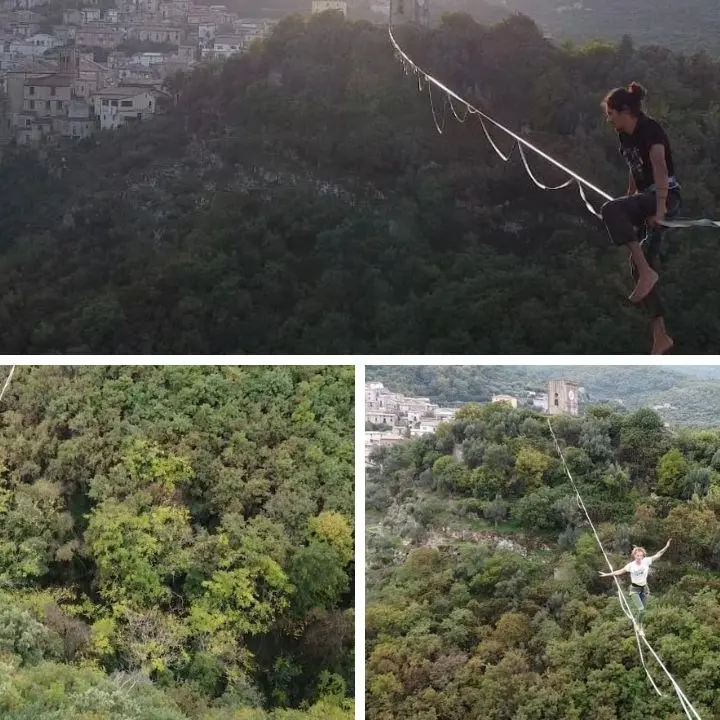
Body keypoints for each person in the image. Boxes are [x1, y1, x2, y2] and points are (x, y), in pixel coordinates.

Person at [600, 82, 682, 355]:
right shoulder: (624, 135)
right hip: (646, 198)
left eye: (611, 113)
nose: (608, 119)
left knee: (610, 210)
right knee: (638, 266)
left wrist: (658, 210)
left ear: (625, 110)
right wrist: (629, 199)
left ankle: (647, 272)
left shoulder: (650, 129)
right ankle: (660, 337)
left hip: (665, 196)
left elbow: (658, 166)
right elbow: (635, 167)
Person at [598, 539, 672, 633]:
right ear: (634, 556)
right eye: (637, 555)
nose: (639, 557)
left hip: (645, 589)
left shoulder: (646, 561)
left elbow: (658, 554)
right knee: (641, 610)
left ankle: (639, 625)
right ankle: (639, 627)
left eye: (641, 556)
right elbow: (620, 571)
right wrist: (607, 574)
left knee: (643, 611)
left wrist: (666, 546)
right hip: (635, 589)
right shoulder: (631, 565)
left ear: (643, 556)